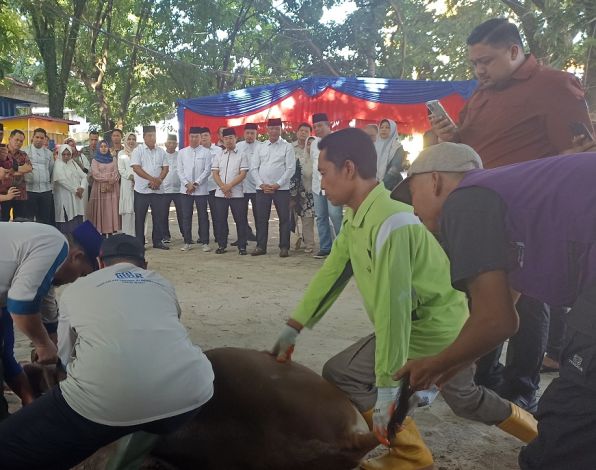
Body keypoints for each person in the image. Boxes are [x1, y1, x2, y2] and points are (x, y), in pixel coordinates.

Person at [271, 130, 535, 470]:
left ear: (348, 169)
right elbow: (332, 273)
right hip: (450, 324)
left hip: (428, 328)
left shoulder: (392, 223)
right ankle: (539, 431)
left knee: (343, 372)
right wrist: (294, 326)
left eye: (323, 172)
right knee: (466, 399)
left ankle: (410, 455)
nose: (321, 184)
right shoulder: (357, 217)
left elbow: (393, 312)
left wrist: (384, 389)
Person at [391, 143, 596, 470]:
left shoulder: (466, 201)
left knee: (565, 434)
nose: (412, 209)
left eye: (412, 193)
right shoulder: (508, 199)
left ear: (435, 181)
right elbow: (502, 310)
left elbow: (497, 320)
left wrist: (433, 365)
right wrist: (454, 364)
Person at [429, 18, 595, 412]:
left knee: (529, 301)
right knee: (485, 298)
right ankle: (484, 377)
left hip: (533, 218)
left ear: (515, 51)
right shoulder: (482, 95)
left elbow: (582, 153)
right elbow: (473, 144)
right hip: (485, 213)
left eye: (486, 61)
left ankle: (521, 385)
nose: (479, 71)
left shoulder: (555, 86)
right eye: (473, 64)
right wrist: (452, 135)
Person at [0, 233, 214, 469]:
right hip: (193, 396)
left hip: (105, 402)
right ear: (144, 264)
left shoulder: (78, 287)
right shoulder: (162, 282)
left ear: (100, 263)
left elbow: (63, 354)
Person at [0, 220, 102, 420]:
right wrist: (43, 344)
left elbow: (47, 314)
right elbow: (21, 306)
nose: (74, 281)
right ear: (77, 257)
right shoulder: (55, 244)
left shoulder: (44, 265)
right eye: (81, 274)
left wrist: (52, 343)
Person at [251, 118, 295, 258]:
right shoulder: (261, 146)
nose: (274, 131)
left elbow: (290, 169)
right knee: (261, 218)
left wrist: (277, 184)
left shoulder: (287, 147)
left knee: (284, 218)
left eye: (277, 128)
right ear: (267, 130)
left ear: (281, 129)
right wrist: (261, 184)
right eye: (271, 128)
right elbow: (253, 168)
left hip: (281, 189)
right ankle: (260, 246)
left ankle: (284, 247)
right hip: (262, 188)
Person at [131, 125, 169, 250]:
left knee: (159, 217)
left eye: (154, 135)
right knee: (140, 218)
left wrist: (158, 180)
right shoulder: (138, 151)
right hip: (141, 190)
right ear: (144, 137)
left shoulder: (161, 151)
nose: (152, 138)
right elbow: (136, 168)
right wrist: (152, 179)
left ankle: (157, 241)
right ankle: (139, 244)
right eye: (149, 135)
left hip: (158, 190)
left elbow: (165, 168)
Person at [211, 128, 249, 255]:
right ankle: (222, 245)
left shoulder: (242, 154)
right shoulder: (219, 154)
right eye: (226, 138)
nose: (228, 141)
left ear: (236, 138)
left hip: (237, 193)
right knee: (221, 220)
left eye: (231, 138)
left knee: (240, 220)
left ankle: (242, 246)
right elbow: (215, 173)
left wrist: (229, 186)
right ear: (222, 139)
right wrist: (223, 187)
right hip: (220, 193)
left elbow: (243, 173)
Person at [310, 113, 342, 259]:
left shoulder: (338, 141)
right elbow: (313, 164)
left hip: (334, 185)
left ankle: (343, 246)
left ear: (328, 125)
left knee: (335, 215)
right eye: (315, 126)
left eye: (320, 126)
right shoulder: (313, 144)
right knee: (321, 216)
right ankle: (325, 247)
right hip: (317, 186)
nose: (317, 129)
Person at [177, 127, 212, 252]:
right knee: (186, 216)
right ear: (188, 137)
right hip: (185, 190)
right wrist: (187, 184)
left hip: (201, 190)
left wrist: (196, 184)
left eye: (196, 136)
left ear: (200, 138)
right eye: (192, 136)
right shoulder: (182, 152)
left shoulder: (206, 152)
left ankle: (205, 242)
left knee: (203, 216)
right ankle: (187, 242)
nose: (194, 139)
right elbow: (179, 170)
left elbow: (207, 170)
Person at [290, 124, 315, 253]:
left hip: (308, 190)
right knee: (291, 217)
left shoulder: (314, 147)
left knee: (307, 218)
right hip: (293, 190)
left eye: (306, 131)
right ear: (297, 132)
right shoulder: (289, 148)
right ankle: (293, 241)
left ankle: (309, 244)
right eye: (301, 130)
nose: (303, 133)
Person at [87, 140, 121, 236]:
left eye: (105, 146)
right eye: (101, 146)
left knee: (110, 209)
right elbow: (95, 174)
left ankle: (110, 232)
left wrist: (112, 180)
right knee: (101, 210)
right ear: (98, 148)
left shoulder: (113, 159)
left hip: (112, 189)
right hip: (99, 190)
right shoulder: (95, 160)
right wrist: (108, 178)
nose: (103, 148)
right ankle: (101, 234)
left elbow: (116, 173)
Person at [22, 128, 55, 225]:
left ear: (45, 139)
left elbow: (51, 169)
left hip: (45, 191)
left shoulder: (49, 153)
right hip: (29, 190)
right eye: (37, 137)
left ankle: (44, 239)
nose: (39, 140)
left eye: (42, 138)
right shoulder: (24, 151)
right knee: (29, 219)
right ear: (32, 137)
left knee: (45, 219)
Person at [52, 144, 87, 234]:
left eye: (68, 154)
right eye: (64, 154)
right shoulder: (58, 164)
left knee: (76, 217)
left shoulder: (73, 163)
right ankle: (69, 245)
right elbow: (61, 180)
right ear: (60, 154)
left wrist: (82, 188)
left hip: (76, 196)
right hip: (64, 197)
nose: (66, 156)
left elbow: (84, 176)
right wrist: (76, 190)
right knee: (66, 218)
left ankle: (77, 244)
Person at [235, 123, 260, 244]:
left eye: (252, 133)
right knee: (240, 215)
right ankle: (242, 238)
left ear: (256, 134)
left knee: (259, 215)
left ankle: (261, 239)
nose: (250, 136)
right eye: (247, 133)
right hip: (241, 187)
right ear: (244, 134)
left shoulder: (261, 146)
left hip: (257, 187)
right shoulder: (238, 146)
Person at [0, 130, 32, 221]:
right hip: (3, 194)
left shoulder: (23, 154)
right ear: (10, 138)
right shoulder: (2, 152)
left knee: (20, 221)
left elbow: (29, 168)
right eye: (16, 140)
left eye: (21, 141)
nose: (19, 143)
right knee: (3, 222)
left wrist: (12, 169)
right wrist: (20, 169)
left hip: (20, 194)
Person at [202, 128, 223, 245]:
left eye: (205, 135)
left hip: (215, 187)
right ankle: (203, 237)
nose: (203, 138)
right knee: (202, 214)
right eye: (202, 136)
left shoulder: (219, 150)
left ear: (210, 136)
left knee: (217, 213)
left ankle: (219, 236)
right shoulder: (197, 151)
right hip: (201, 188)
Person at [162, 134, 184, 244]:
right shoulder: (161, 155)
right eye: (169, 143)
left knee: (182, 213)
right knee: (163, 214)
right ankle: (165, 235)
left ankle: (185, 234)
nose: (171, 145)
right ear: (165, 144)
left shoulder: (180, 155)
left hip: (179, 190)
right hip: (164, 190)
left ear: (176, 144)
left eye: (173, 143)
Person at [375, 119, 404, 190]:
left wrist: (381, 186)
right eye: (381, 127)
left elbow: (395, 168)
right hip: (373, 185)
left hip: (392, 187)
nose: (384, 129)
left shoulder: (397, 147)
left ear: (393, 130)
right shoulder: (374, 145)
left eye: (387, 127)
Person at [117, 132, 137, 236]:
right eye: (129, 139)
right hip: (127, 183)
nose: (131, 141)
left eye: (133, 139)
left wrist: (138, 178)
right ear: (125, 140)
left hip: (139, 184)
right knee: (128, 210)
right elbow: (121, 169)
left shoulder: (139, 152)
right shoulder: (121, 153)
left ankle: (139, 235)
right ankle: (127, 234)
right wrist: (131, 177)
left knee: (138, 210)